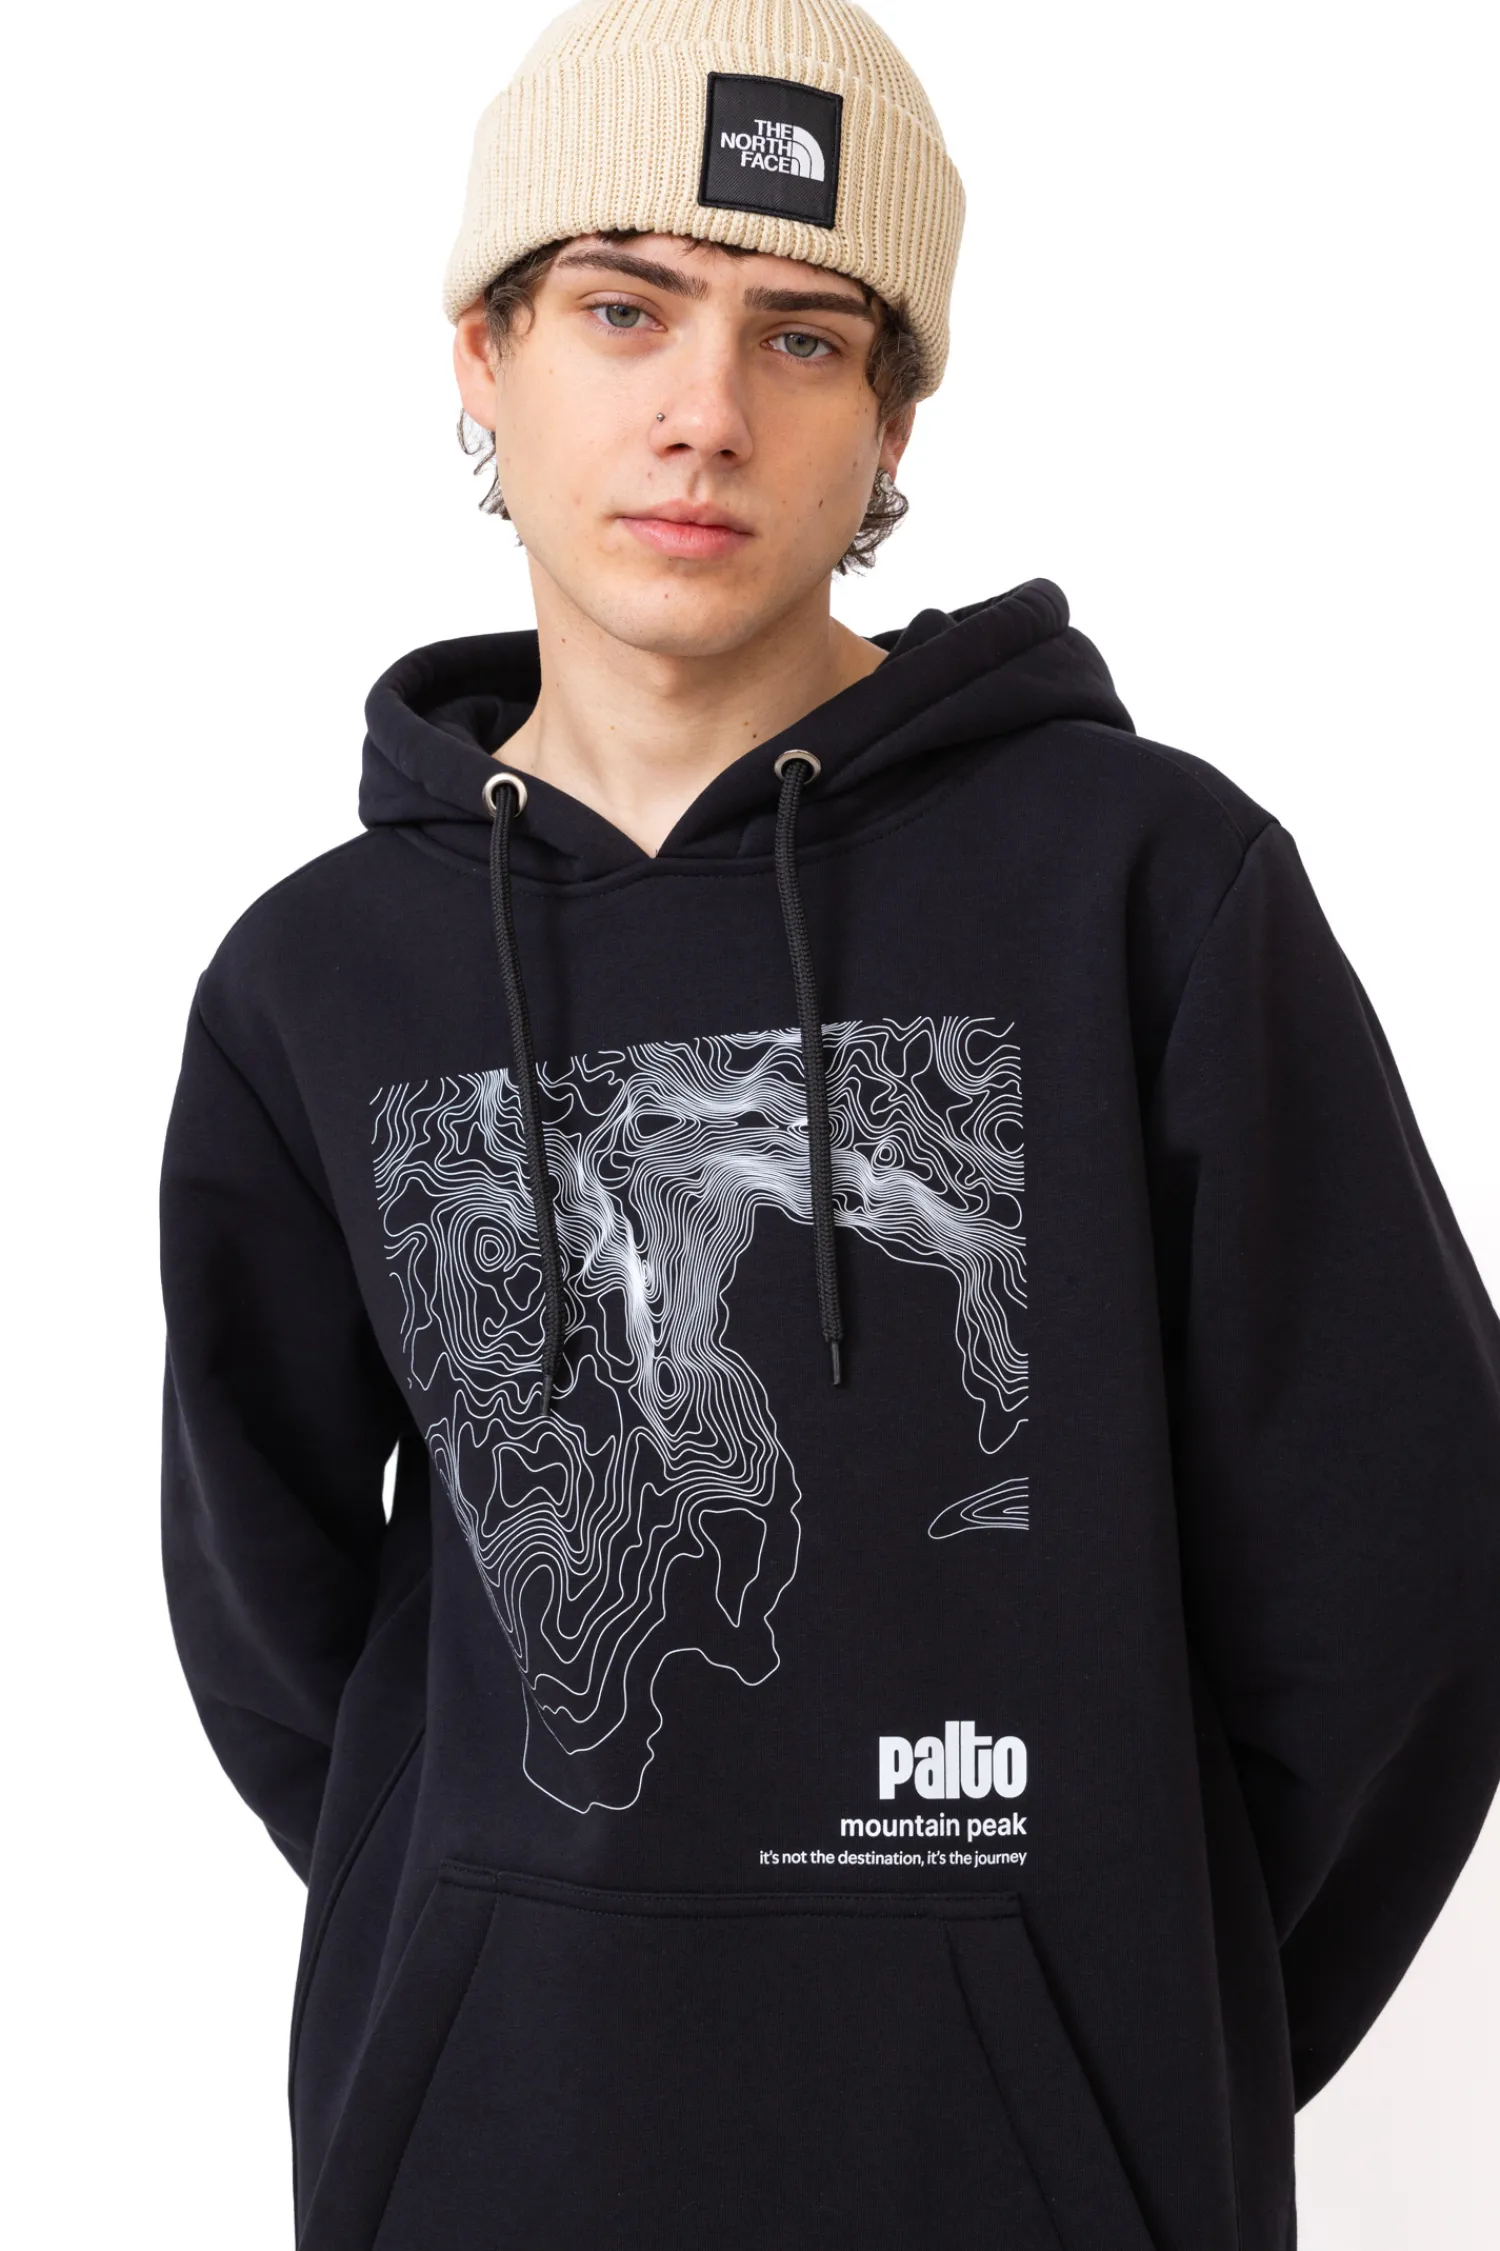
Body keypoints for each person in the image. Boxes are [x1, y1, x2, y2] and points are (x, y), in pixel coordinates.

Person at [157, 2, 1500, 2246]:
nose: (706, 410)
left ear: (889, 422)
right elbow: (275, 1614)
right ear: (482, 352)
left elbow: (1404, 1562)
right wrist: (483, 1940)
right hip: (489, 2165)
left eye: (802, 336)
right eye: (625, 308)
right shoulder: (316, 979)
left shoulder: (1148, 887)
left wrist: (1110, 2008)